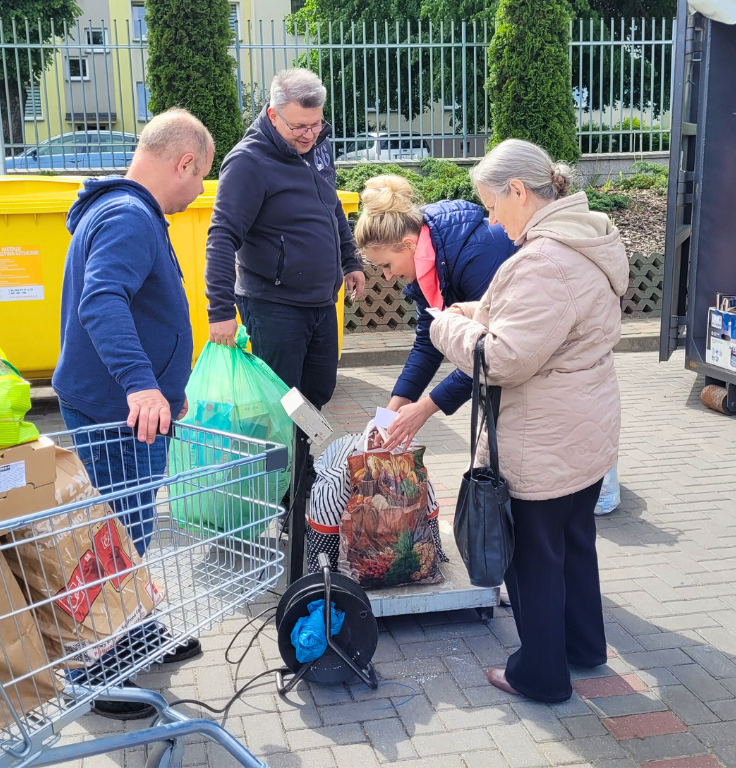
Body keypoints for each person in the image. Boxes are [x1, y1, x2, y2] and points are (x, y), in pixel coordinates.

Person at [430, 139, 628, 703]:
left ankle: (540, 675)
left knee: (533, 558)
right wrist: (479, 313)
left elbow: (504, 358)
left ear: (520, 191)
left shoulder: (543, 260)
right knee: (573, 540)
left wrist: (447, 327)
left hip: (542, 435)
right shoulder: (585, 237)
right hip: (583, 429)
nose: (492, 220)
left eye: (493, 205)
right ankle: (584, 648)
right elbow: (542, 319)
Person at [52, 108, 214, 719]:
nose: (199, 191)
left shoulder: (120, 209)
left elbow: (137, 308)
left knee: (126, 530)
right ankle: (93, 671)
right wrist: (144, 386)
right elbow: (103, 299)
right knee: (115, 536)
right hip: (119, 411)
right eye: (201, 178)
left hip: (127, 406)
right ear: (183, 162)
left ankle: (132, 630)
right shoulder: (128, 216)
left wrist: (167, 388)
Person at [204, 67, 365, 511]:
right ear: (273, 115)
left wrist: (349, 260)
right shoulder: (248, 163)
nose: (310, 134)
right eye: (299, 126)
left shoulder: (317, 146)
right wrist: (219, 309)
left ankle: (300, 470)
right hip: (272, 304)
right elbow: (221, 237)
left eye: (317, 124)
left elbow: (331, 207)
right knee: (282, 403)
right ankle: (287, 494)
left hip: (319, 302)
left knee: (317, 391)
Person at [351, 174, 515, 450]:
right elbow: (429, 344)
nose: (388, 277)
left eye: (387, 265)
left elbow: (493, 352)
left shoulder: (474, 254)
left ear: (408, 245)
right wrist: (389, 413)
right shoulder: (430, 260)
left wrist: (426, 407)